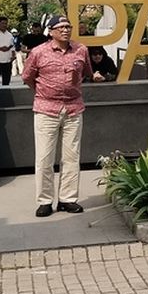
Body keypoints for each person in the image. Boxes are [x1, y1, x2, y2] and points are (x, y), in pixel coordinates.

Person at [21, 15, 91, 218]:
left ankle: (67, 199)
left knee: (71, 157)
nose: (66, 30)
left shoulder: (81, 50)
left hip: (73, 109)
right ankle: (44, 201)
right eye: (60, 27)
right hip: (46, 110)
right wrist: (44, 92)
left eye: (68, 26)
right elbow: (27, 77)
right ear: (50, 31)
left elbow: (86, 72)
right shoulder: (38, 52)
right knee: (44, 158)